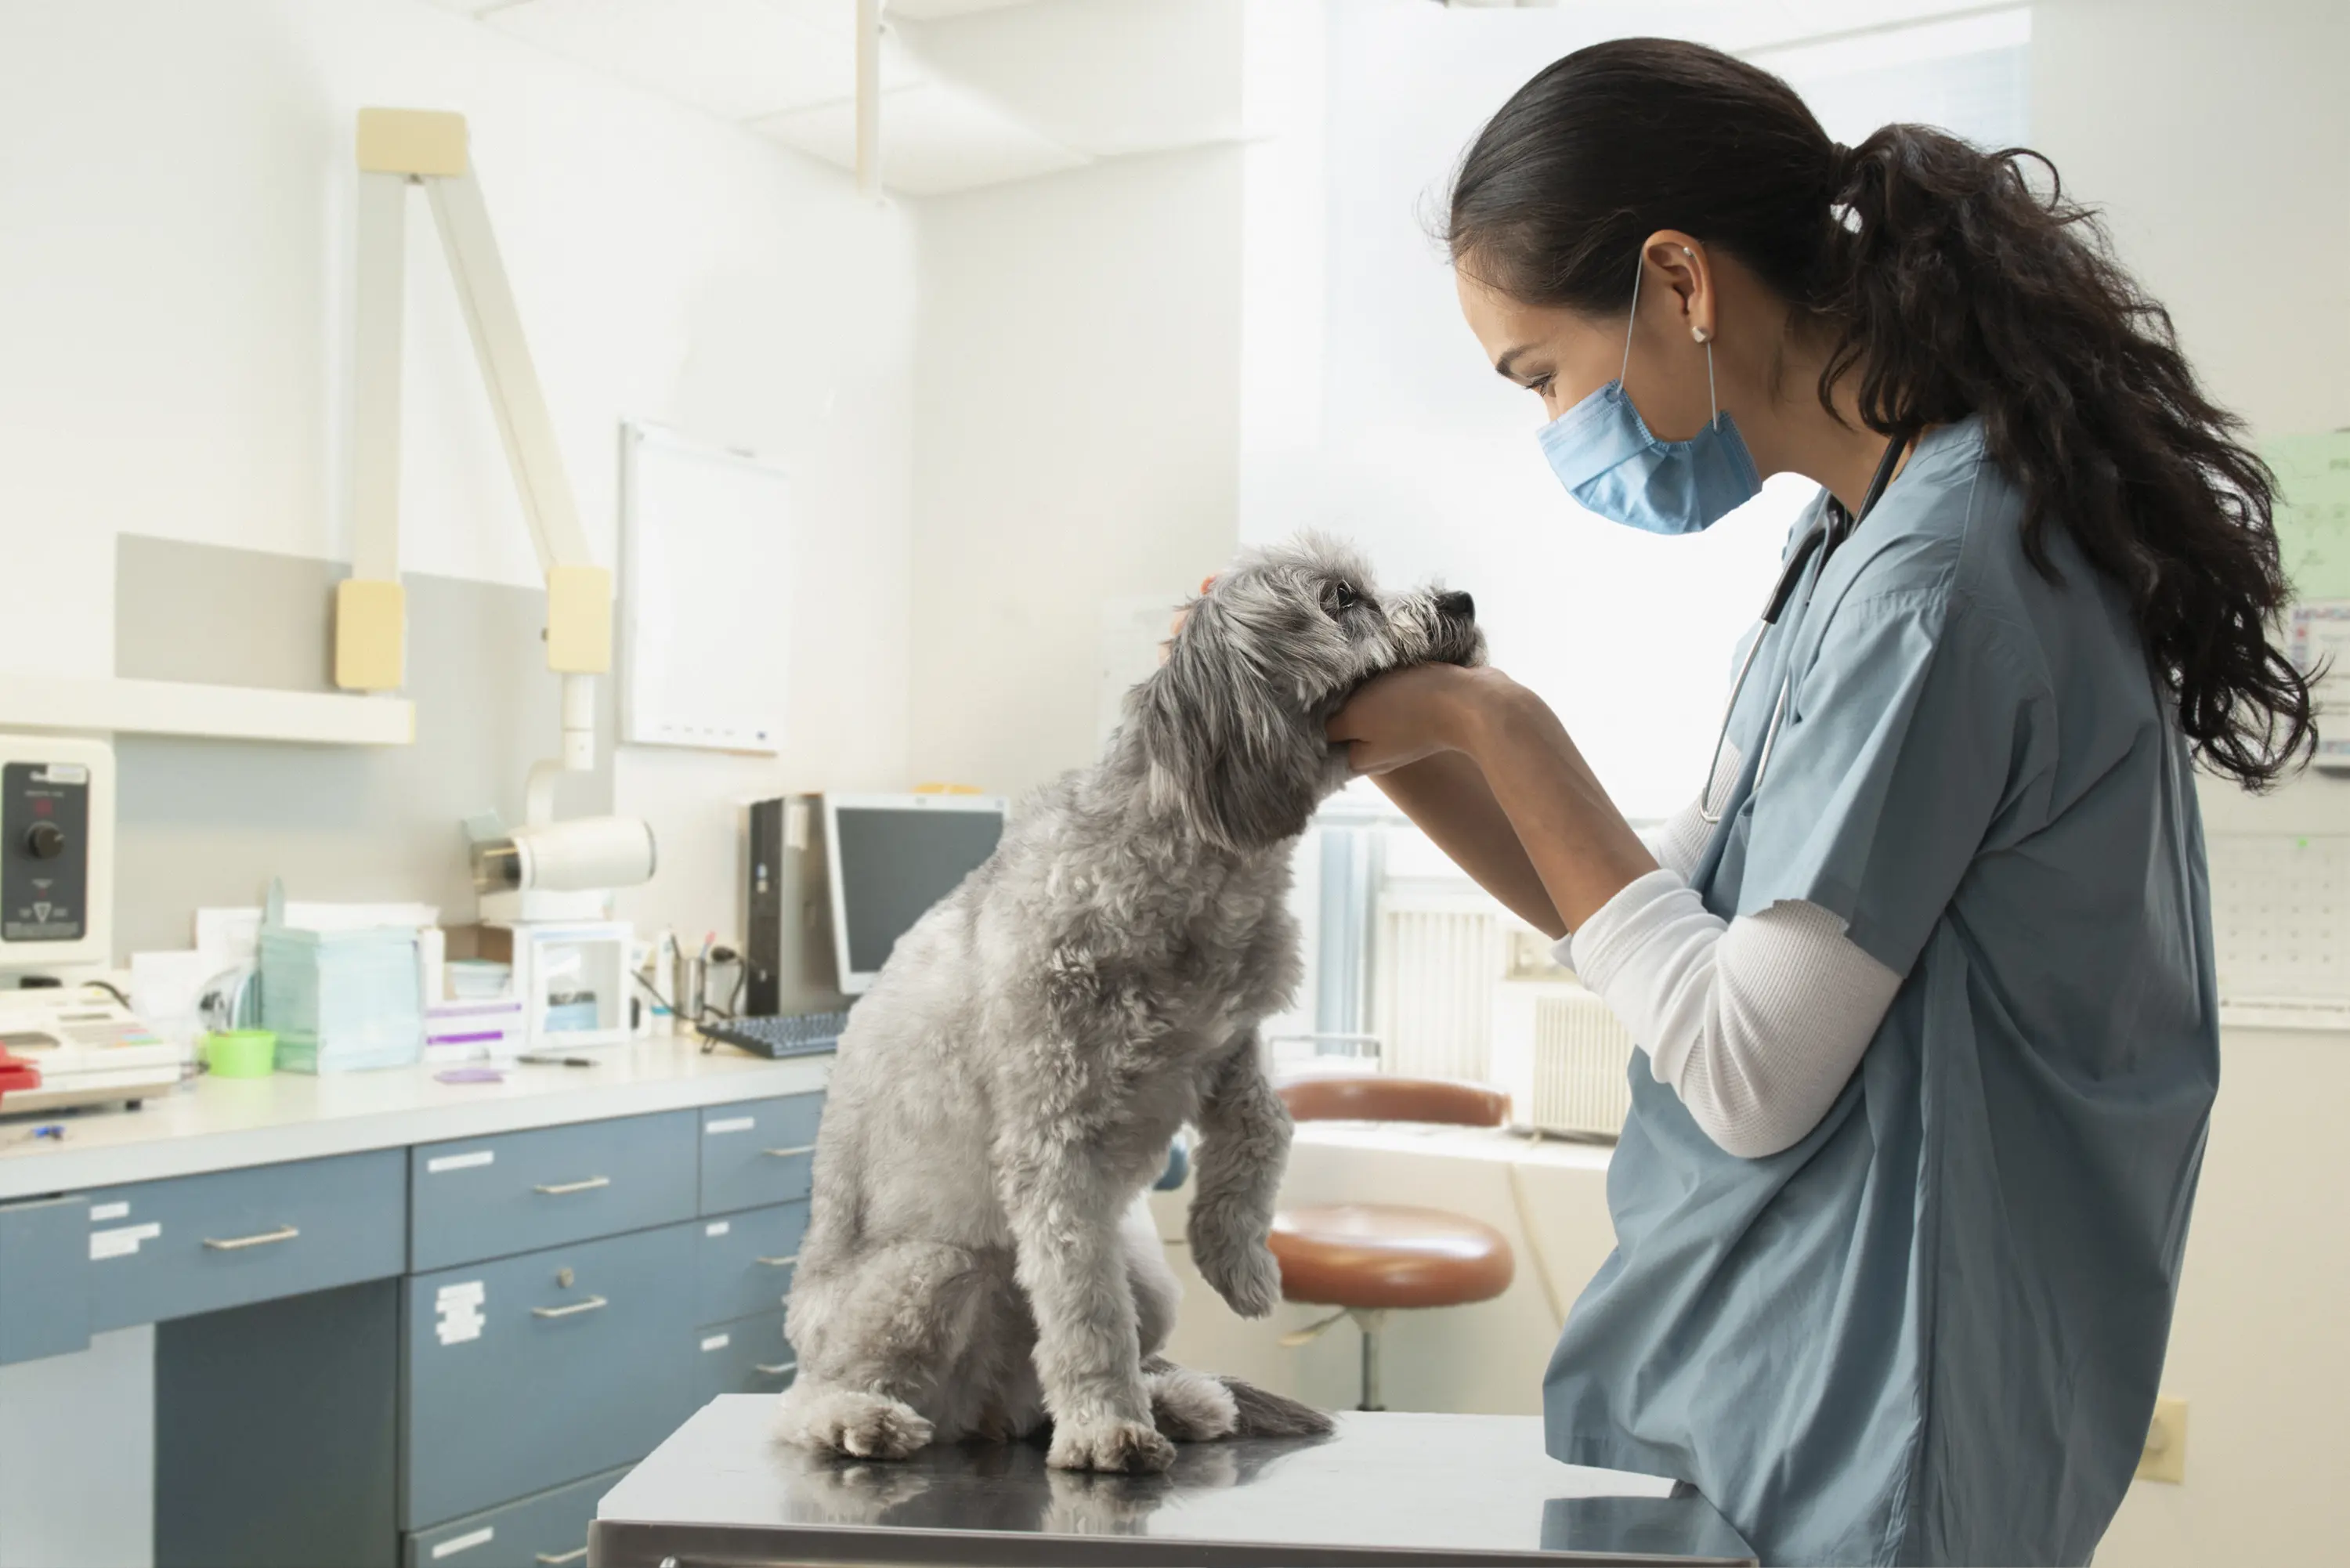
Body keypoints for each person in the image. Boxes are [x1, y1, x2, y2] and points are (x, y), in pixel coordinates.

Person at [1319, 38, 2310, 1568]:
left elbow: (1748, 1058)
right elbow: (1662, 919)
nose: (1555, 429)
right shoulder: (1845, 553)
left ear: (1678, 283)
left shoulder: (1943, 579)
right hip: (1784, 1389)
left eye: (1546, 375)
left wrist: (1486, 715)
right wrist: (1387, 739)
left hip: (1885, 1422)